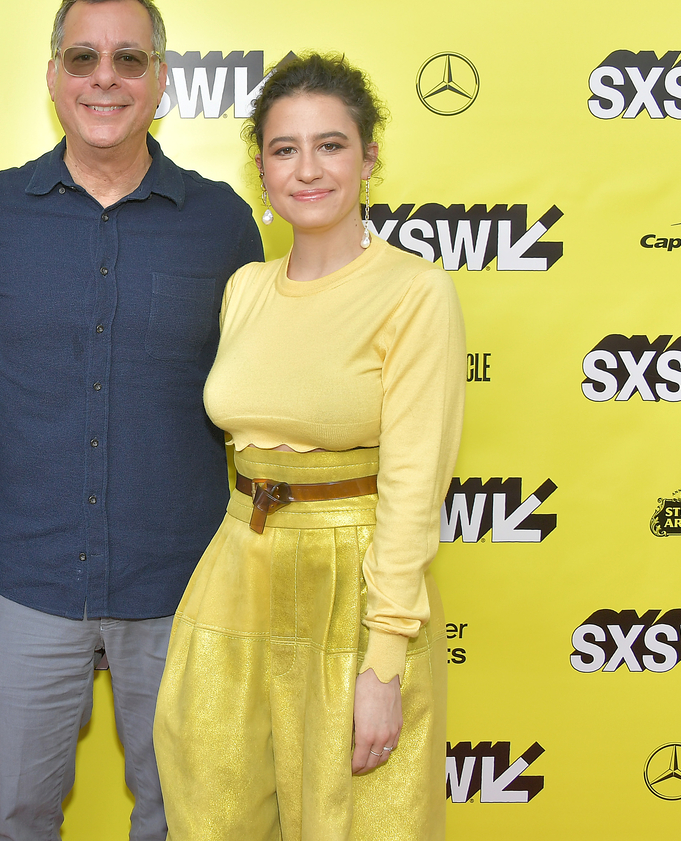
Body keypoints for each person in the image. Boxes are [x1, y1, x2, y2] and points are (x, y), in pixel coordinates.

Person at [0, 0, 264, 841]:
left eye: (129, 59)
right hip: (25, 582)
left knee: (182, 817)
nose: (105, 78)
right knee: (14, 817)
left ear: (161, 78)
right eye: (83, 57)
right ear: (52, 76)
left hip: (180, 585)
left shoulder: (224, 223)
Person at [153, 52, 465, 840]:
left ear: (369, 157)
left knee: (358, 822)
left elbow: (413, 483)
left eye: (331, 145)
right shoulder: (246, 287)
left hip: (353, 588)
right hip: (235, 573)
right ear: (262, 169)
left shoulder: (414, 291)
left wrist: (385, 662)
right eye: (285, 149)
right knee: (211, 809)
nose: (308, 168)